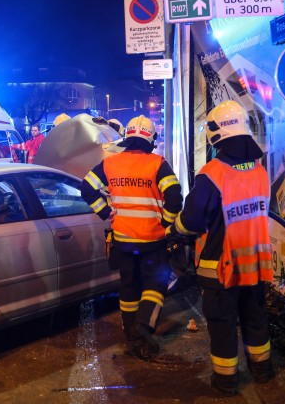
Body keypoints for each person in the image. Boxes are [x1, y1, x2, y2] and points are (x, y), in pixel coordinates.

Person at [165, 100, 274, 395]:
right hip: (256, 264)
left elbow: (192, 220)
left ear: (217, 133)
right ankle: (262, 370)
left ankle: (226, 381)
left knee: (223, 324)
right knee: (255, 318)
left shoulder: (213, 173)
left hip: (222, 268)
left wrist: (174, 231)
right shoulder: (259, 170)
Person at [81, 115, 183, 361]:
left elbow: (86, 187)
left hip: (123, 241)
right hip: (152, 240)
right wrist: (167, 224)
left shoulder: (110, 163)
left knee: (128, 287)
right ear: (151, 139)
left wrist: (105, 212)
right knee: (155, 286)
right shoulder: (158, 164)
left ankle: (131, 337)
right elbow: (175, 198)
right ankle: (144, 325)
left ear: (128, 137)